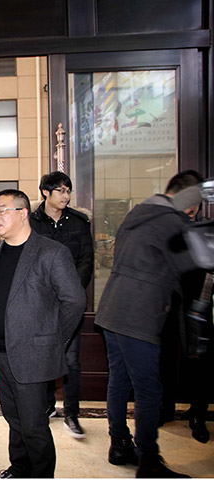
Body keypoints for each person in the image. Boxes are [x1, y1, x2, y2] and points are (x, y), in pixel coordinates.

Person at [95, 170, 203, 478]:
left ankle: (119, 445)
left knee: (119, 380)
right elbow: (191, 266)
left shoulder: (138, 212)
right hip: (138, 315)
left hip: (112, 309)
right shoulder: (173, 222)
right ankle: (149, 461)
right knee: (149, 390)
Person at [0, 189, 86, 478]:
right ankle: (19, 469)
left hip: (32, 355)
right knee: (14, 419)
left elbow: (75, 301)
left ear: (23, 213)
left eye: (2, 210)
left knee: (34, 426)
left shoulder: (51, 252)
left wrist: (52, 340)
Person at [29, 171, 93, 438]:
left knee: (71, 360)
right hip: (41, 302)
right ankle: (47, 406)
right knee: (43, 356)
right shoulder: (31, 221)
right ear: (46, 192)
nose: (66, 196)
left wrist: (71, 291)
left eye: (68, 190)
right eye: (60, 190)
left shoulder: (79, 222)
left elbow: (86, 260)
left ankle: (72, 413)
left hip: (70, 304)